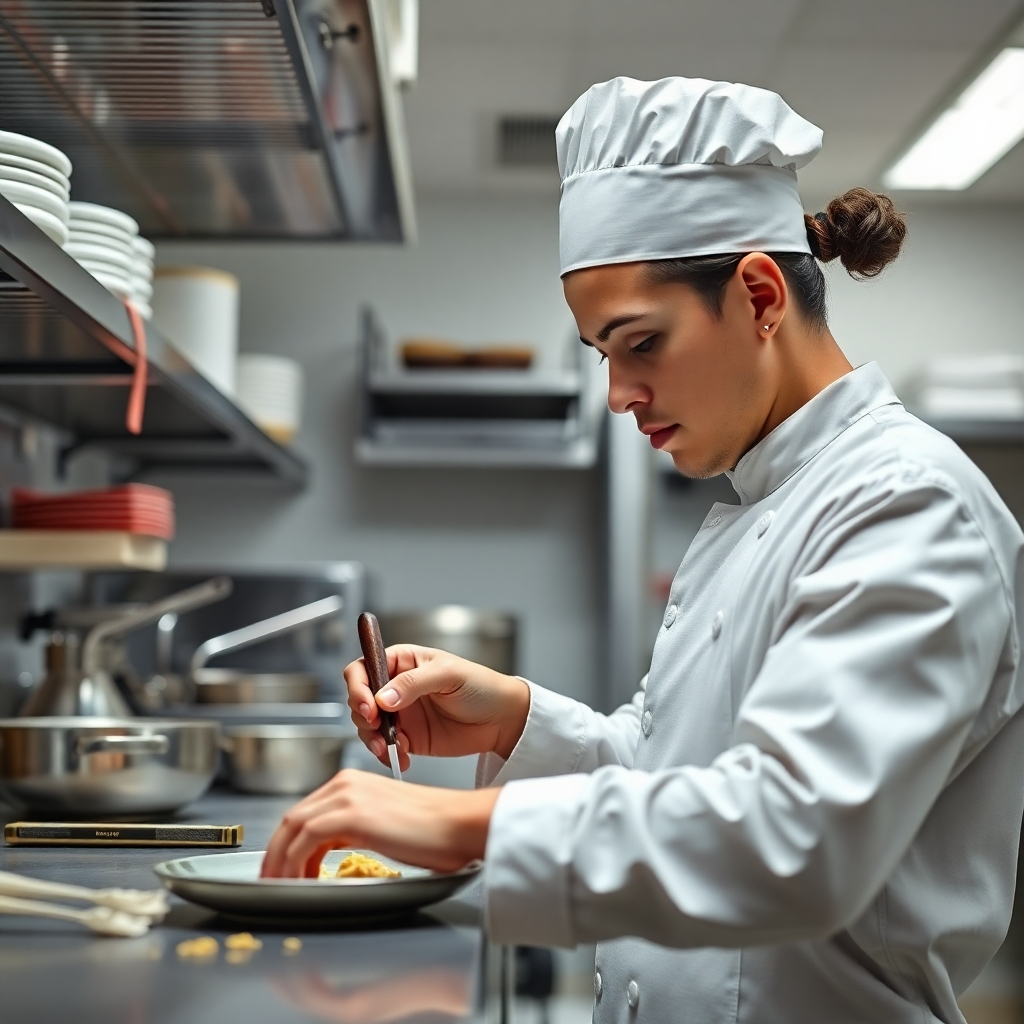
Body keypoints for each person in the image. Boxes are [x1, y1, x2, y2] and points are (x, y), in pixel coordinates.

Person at [262, 77, 1024, 1024]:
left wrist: (462, 825)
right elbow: (677, 779)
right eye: (601, 355)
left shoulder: (910, 504)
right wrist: (515, 719)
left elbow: (794, 837)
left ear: (757, 295)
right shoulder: (756, 500)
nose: (619, 394)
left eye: (640, 344)